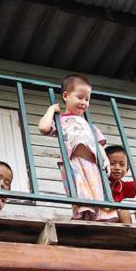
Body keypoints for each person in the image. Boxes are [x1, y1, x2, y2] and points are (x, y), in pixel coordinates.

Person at [38, 74, 116, 222]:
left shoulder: (89, 124)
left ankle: (98, 220)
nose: (84, 102)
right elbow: (43, 127)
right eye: (80, 97)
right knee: (82, 196)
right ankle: (81, 219)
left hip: (93, 164)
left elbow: (98, 143)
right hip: (73, 162)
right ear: (66, 96)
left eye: (87, 99)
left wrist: (105, 158)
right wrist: (51, 110)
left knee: (97, 194)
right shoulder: (61, 120)